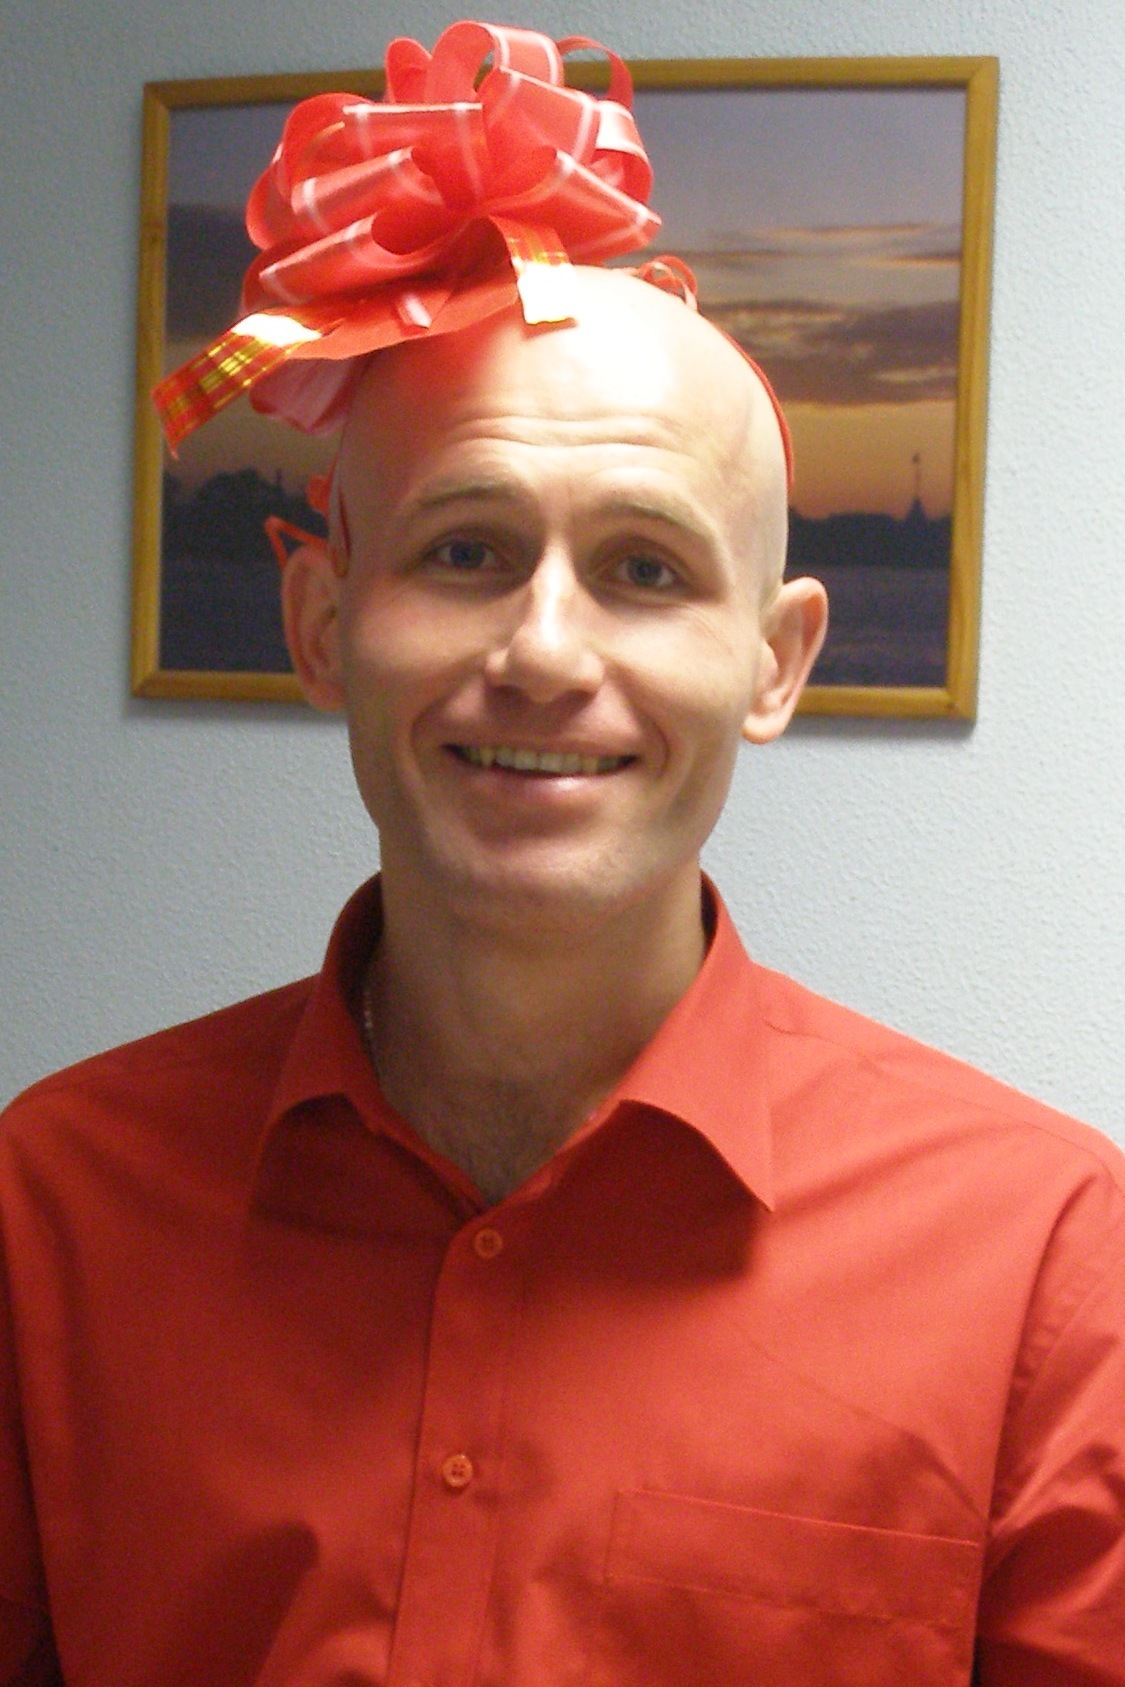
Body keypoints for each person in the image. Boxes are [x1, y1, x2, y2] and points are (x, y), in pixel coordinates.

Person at [2, 22, 1123, 1687]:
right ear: (319, 624)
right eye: (464, 551)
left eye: (644, 569)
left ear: (774, 663)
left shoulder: (1042, 1256)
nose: (540, 650)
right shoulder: (56, 1208)